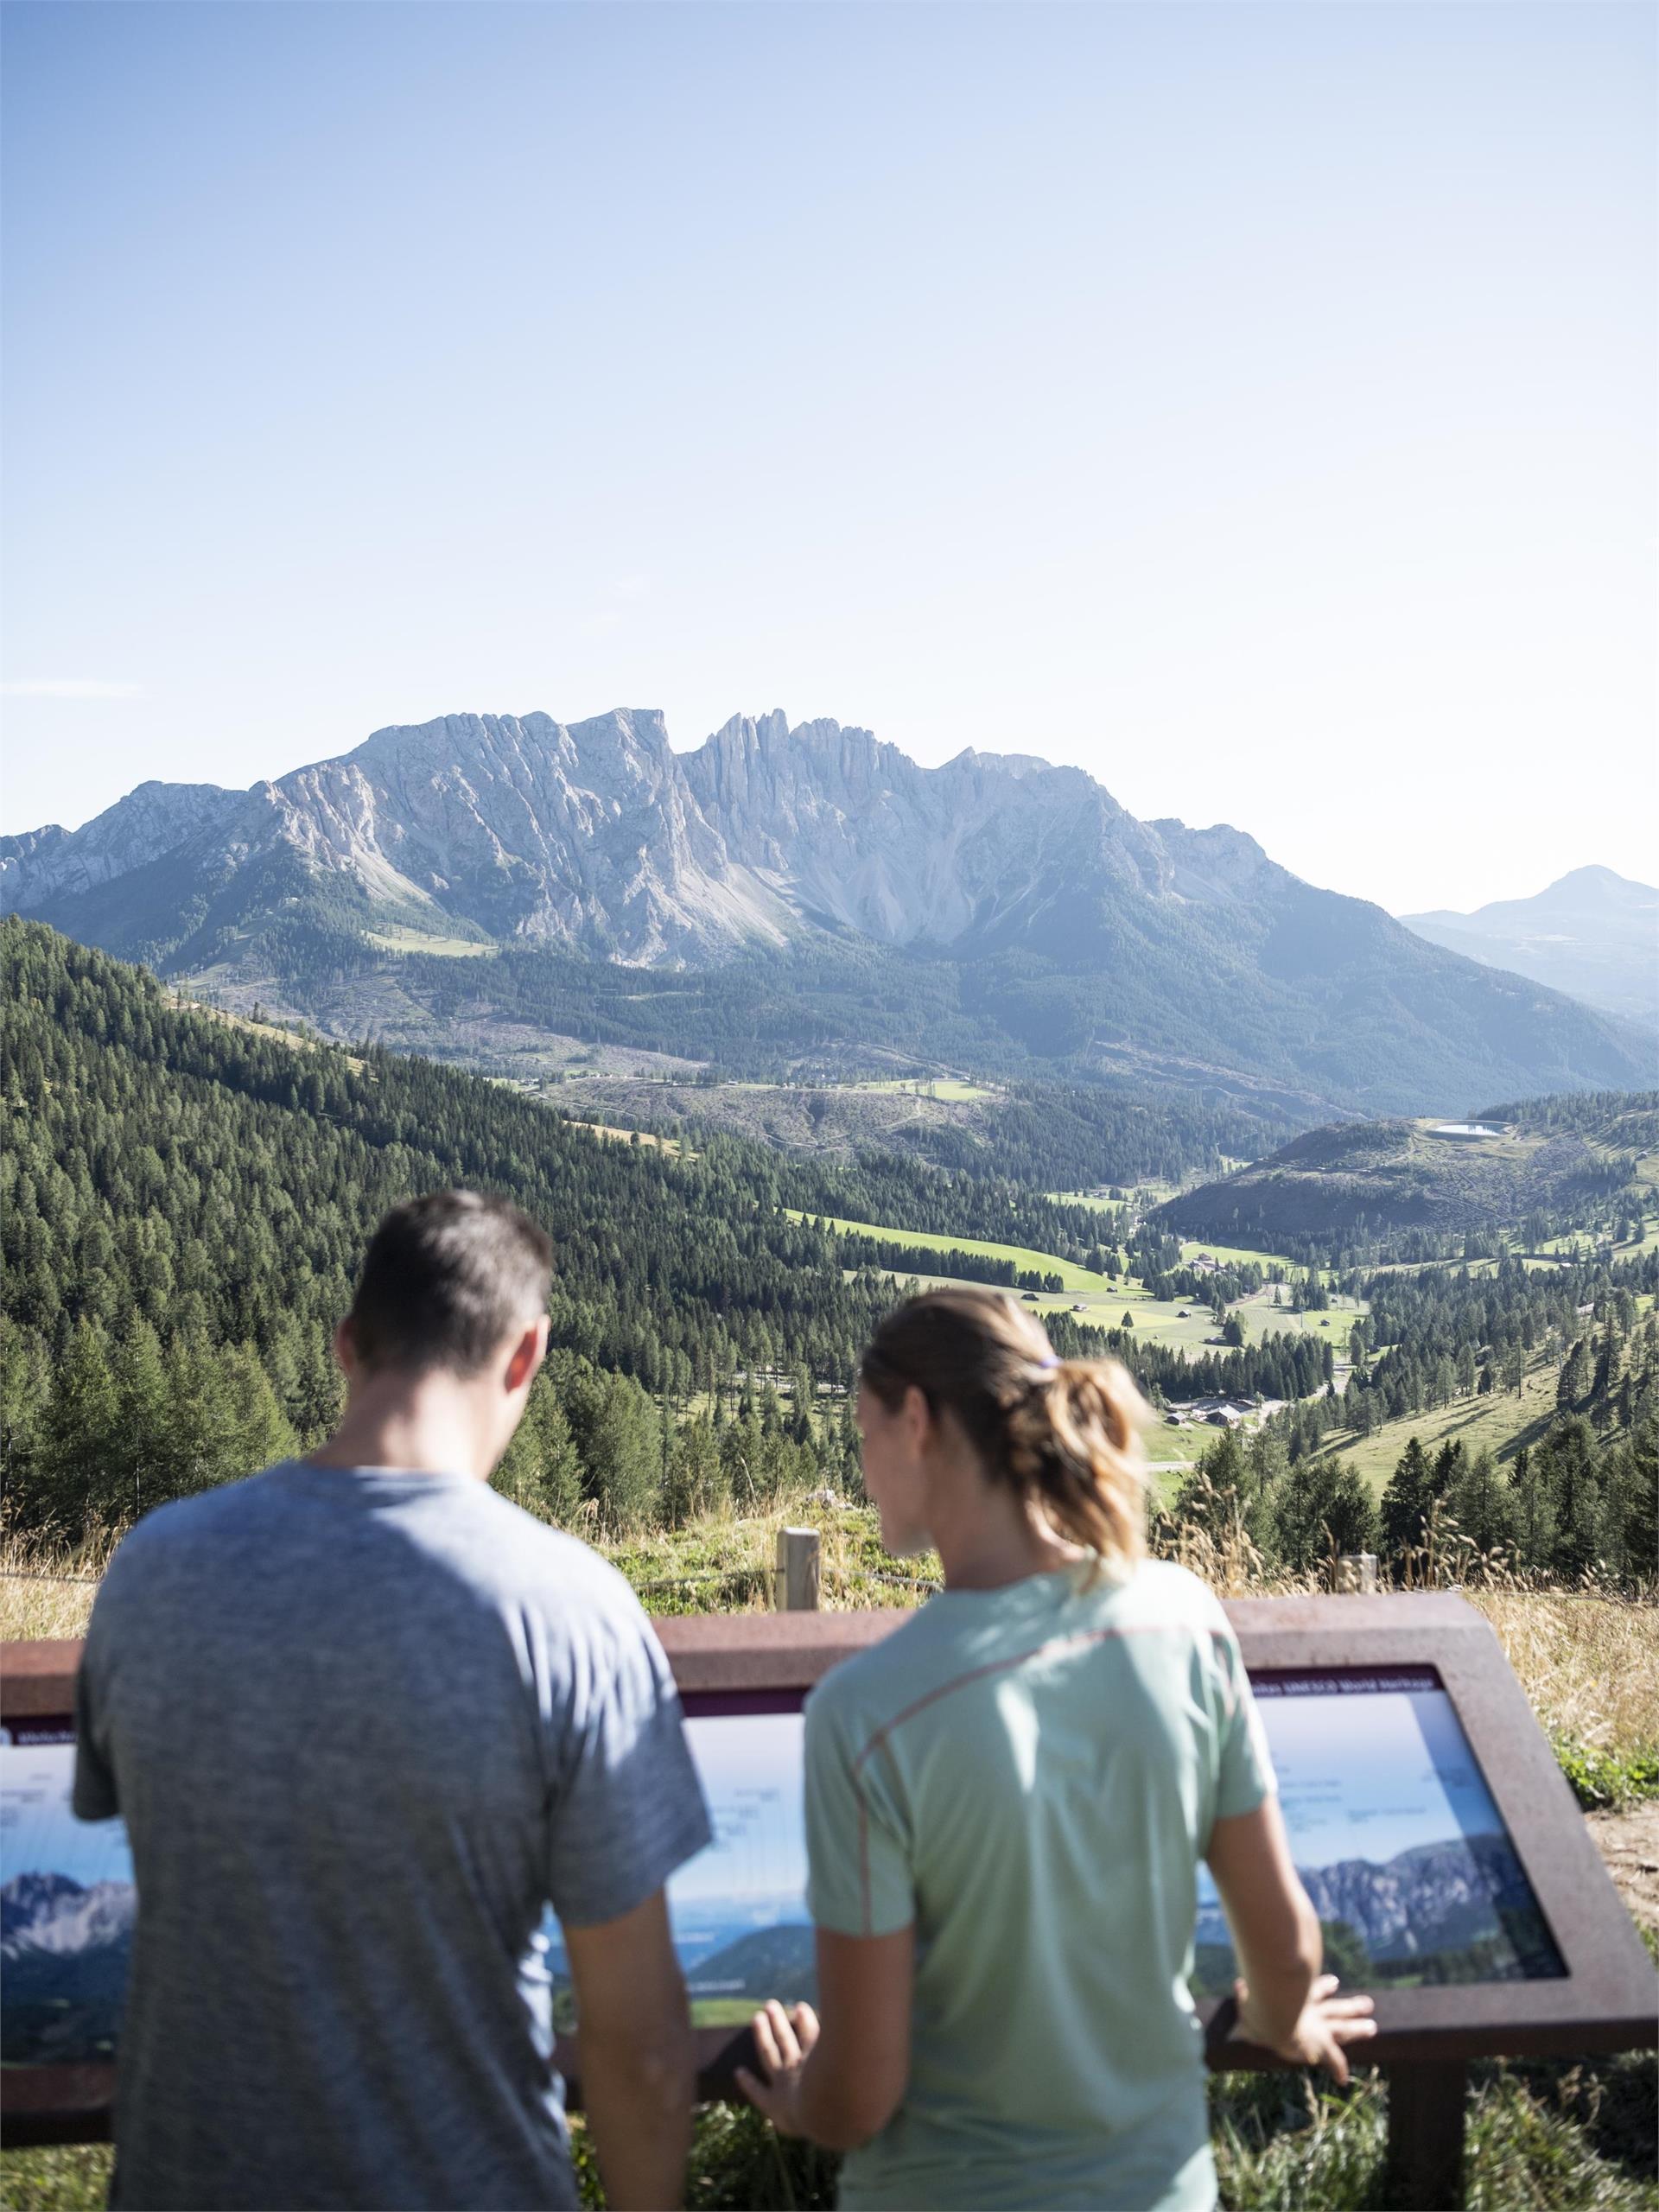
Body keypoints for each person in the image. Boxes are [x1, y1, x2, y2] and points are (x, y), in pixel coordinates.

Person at [73, 1189, 710, 2212]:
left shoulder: (151, 1570)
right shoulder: (571, 1609)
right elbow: (636, 2040)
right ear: (526, 1356)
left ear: (345, 1346)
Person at [736, 1288, 1375, 2210]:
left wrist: (802, 2100)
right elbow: (1285, 1951)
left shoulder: (865, 1711)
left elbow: (860, 2094)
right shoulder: (1184, 1619)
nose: (863, 1464)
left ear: (914, 1419)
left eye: (863, 1428)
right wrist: (1280, 2023)